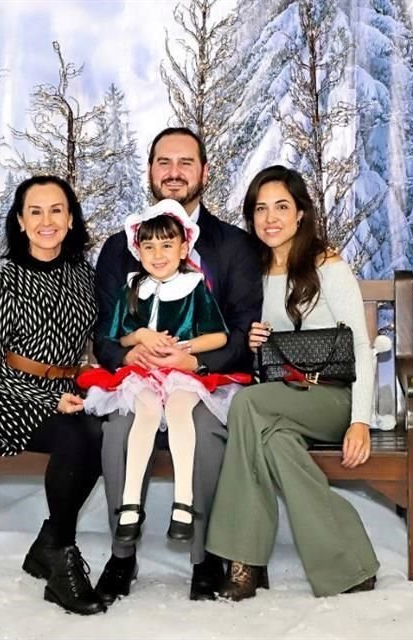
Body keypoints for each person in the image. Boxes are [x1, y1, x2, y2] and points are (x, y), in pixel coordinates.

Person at [93, 128, 263, 603]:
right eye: (163, 162)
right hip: (140, 377)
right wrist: (129, 351)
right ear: (150, 171)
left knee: (206, 432)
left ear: (204, 172)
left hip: (204, 378)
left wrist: (193, 357)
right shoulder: (118, 248)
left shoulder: (233, 246)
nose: (173, 172)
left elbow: (243, 332)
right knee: (118, 431)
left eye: (185, 162)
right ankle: (121, 554)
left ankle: (205, 557)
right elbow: (104, 334)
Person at [205, 165, 380, 600]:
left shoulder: (327, 265)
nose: (270, 218)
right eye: (260, 209)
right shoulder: (254, 271)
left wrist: (360, 420)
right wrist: (254, 339)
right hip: (282, 399)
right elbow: (246, 342)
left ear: (301, 213)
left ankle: (244, 561)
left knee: (246, 406)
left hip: (331, 397)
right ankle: (350, 563)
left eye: (282, 206)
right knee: (275, 442)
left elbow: (361, 344)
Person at [79, 199, 249, 545]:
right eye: (149, 246)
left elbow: (219, 335)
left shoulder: (194, 287)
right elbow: (114, 336)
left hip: (181, 373)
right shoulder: (132, 288)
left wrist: (185, 350)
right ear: (137, 250)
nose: (158, 254)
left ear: (184, 247)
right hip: (142, 374)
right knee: (146, 410)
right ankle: (130, 504)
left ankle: (184, 500)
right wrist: (138, 336)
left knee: (179, 407)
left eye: (167, 245)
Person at [0, 175, 106, 615]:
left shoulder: (82, 274)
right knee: (74, 436)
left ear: (70, 219)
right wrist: (47, 399)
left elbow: (103, 336)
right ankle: (62, 557)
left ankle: (49, 542)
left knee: (97, 432)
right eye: (35, 211)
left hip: (67, 389)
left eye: (56, 210)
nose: (46, 220)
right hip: (9, 396)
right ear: (20, 221)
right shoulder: (7, 278)